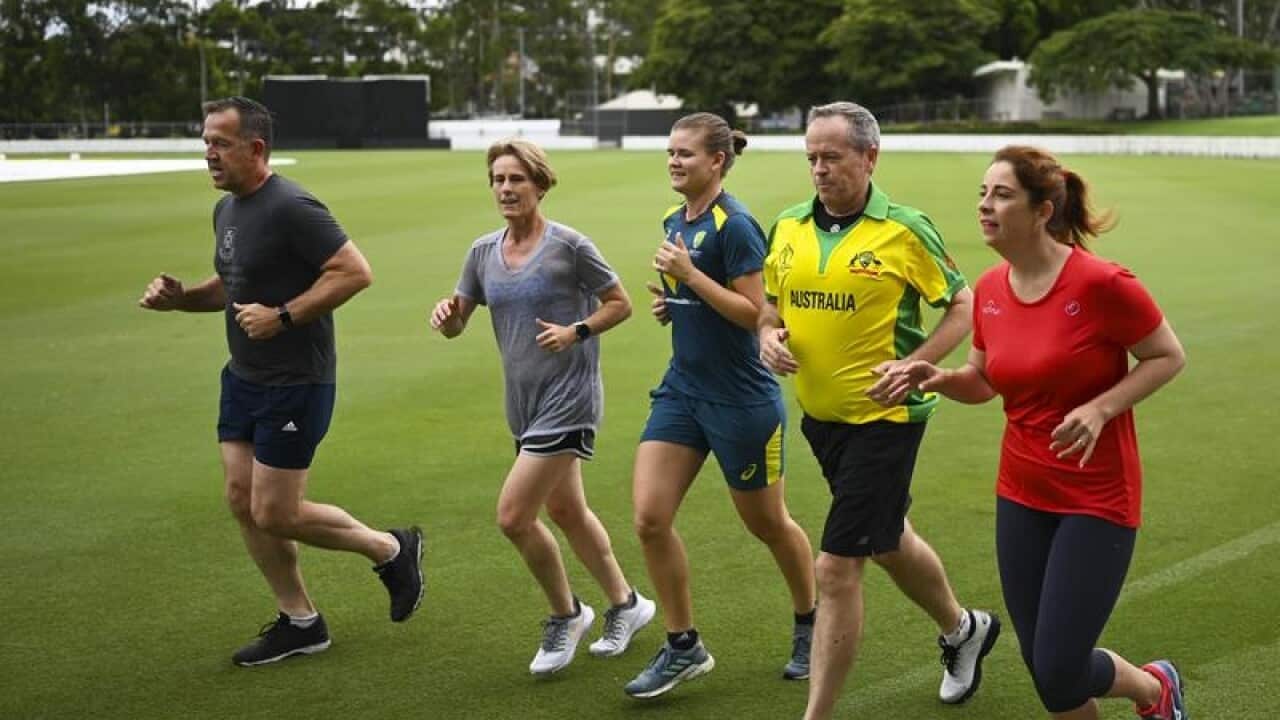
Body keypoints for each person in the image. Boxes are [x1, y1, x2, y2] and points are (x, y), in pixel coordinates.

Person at [881, 145, 1188, 720]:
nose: (985, 206)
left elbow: (1167, 356)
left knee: (1057, 664)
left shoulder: (1102, 284)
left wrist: (1101, 409)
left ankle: (1153, 690)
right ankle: (1152, 691)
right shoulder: (992, 288)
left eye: (1001, 195)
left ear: (1043, 210)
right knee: (1051, 676)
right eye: (982, 194)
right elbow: (982, 379)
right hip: (1022, 491)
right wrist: (938, 376)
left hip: (1097, 498)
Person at [138, 96, 424, 667]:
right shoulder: (228, 211)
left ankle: (391, 548)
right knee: (242, 500)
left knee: (276, 511)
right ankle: (301, 621)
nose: (208, 155)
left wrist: (285, 315)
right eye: (205, 143)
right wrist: (181, 301)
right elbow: (230, 285)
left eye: (219, 143)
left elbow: (355, 271)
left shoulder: (293, 205)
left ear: (256, 148)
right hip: (243, 376)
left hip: (297, 380)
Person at [757, 101, 1001, 720]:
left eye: (831, 157)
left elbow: (962, 305)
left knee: (836, 566)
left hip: (885, 420)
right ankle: (964, 628)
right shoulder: (786, 227)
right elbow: (770, 306)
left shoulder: (904, 230)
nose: (818, 168)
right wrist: (767, 336)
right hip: (821, 420)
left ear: (869, 157)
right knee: (887, 541)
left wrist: (919, 364)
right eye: (811, 156)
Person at [429, 138, 654, 676]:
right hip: (523, 404)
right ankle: (628, 605)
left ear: (540, 184)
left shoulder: (569, 245)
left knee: (513, 516)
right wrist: (447, 317)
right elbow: (460, 321)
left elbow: (620, 304)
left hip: (569, 399)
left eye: (516, 180)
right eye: (498, 180)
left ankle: (567, 613)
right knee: (565, 511)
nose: (506, 189)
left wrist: (577, 330)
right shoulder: (482, 252)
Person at [624, 113, 818, 699]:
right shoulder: (672, 219)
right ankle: (684, 645)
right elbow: (700, 303)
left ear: (717, 161)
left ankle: (811, 620)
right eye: (670, 152)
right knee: (649, 519)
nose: (674, 161)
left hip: (742, 400)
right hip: (683, 390)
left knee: (767, 524)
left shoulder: (736, 225)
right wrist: (674, 302)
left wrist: (690, 279)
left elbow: (758, 314)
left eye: (686, 153)